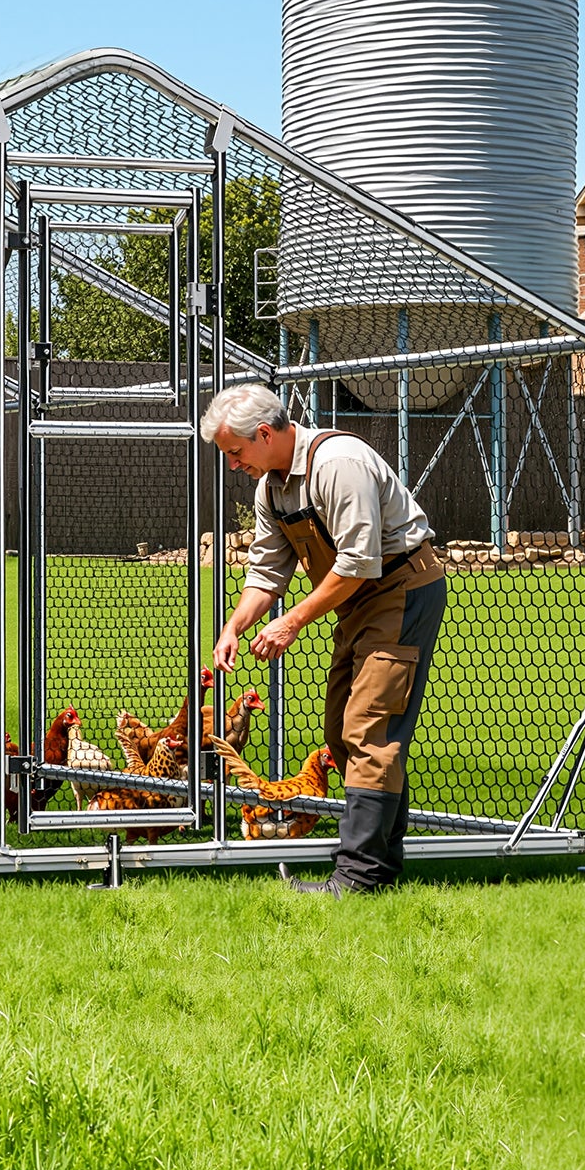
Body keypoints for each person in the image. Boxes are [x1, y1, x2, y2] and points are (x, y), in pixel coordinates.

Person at [201, 383, 446, 894]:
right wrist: (234, 625)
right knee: (340, 731)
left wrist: (291, 623)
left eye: (234, 452)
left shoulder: (338, 463)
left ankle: (357, 879)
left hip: (401, 591)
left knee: (369, 730)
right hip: (356, 601)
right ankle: (382, 869)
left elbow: (360, 562)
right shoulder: (271, 486)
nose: (232, 464)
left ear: (264, 433)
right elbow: (266, 573)